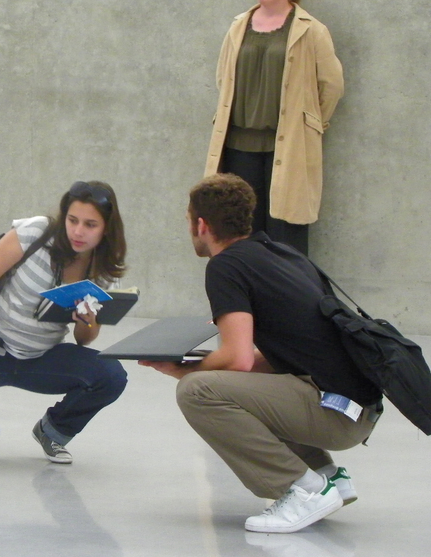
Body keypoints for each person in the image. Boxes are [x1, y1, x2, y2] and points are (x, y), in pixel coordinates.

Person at [141, 174, 382, 534]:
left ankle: (304, 490)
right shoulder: (282, 254)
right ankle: (327, 475)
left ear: (201, 224)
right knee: (225, 384)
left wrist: (188, 373)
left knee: (197, 392)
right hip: (357, 410)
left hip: (335, 416)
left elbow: (237, 358)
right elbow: (278, 357)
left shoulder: (225, 267)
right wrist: (183, 366)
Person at [0, 181, 128, 464]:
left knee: (111, 376)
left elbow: (84, 340)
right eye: (72, 220)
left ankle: (54, 431)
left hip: (44, 356)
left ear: (107, 228)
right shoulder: (36, 232)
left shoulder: (103, 273)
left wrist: (87, 321)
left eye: (90, 224)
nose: (78, 231)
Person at [205, 0, 344, 255]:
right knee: (241, 233)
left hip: (288, 146)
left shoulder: (311, 30)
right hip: (238, 146)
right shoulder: (238, 26)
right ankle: (246, 286)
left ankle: (288, 287)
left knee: (286, 235)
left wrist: (310, 125)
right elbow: (223, 77)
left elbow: (331, 85)